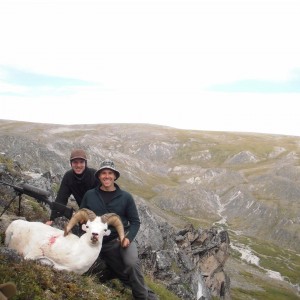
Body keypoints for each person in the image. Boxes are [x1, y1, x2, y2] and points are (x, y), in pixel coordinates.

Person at [80, 159, 158, 300]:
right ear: (99, 176)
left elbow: (135, 222)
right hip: (98, 242)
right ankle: (150, 296)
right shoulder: (90, 195)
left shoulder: (126, 197)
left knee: (132, 264)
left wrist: (128, 238)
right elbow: (82, 215)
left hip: (120, 239)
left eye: (110, 173)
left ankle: (142, 298)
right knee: (119, 273)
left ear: (115, 176)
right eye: (103, 173)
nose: (107, 176)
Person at [46, 149, 99, 225]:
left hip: (99, 214)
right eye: (75, 162)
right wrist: (53, 219)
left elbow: (103, 197)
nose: (78, 165)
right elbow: (61, 199)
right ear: (71, 164)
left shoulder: (94, 175)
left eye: (81, 162)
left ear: (85, 163)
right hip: (83, 214)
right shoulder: (68, 176)